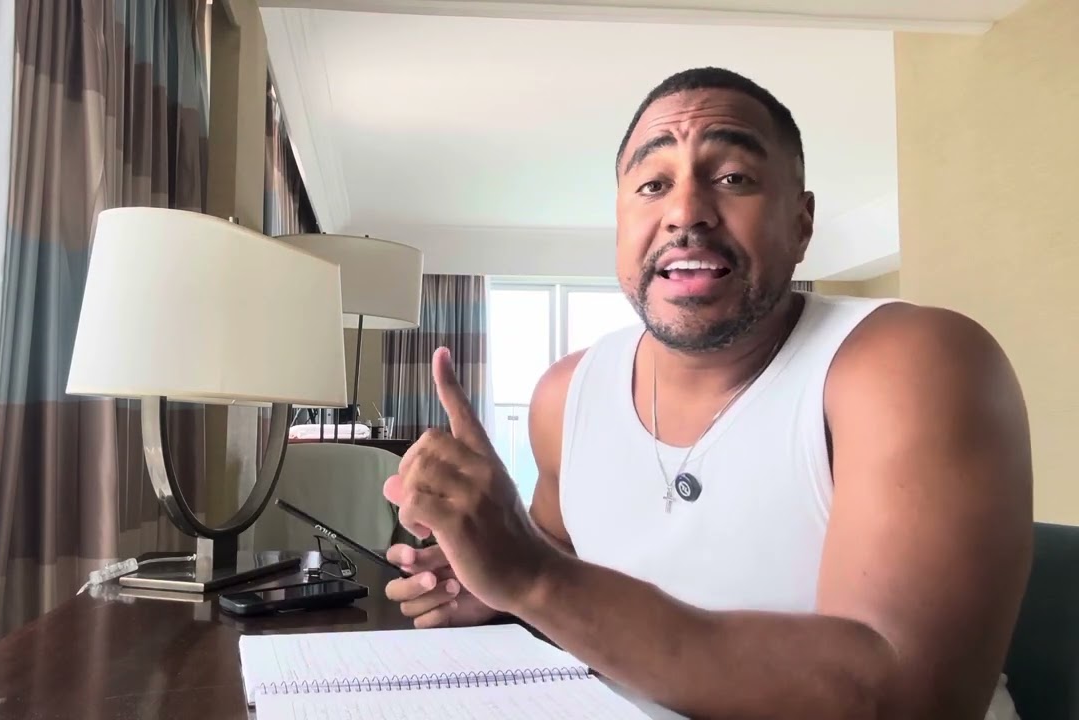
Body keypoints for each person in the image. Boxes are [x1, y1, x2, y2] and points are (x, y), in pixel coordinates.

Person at [381, 67, 1033, 719]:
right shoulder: (566, 393)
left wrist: (534, 580)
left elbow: (903, 697)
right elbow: (561, 567)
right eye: (653, 184)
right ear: (620, 223)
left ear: (802, 223)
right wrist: (495, 588)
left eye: (733, 178)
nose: (685, 211)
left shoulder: (908, 362)